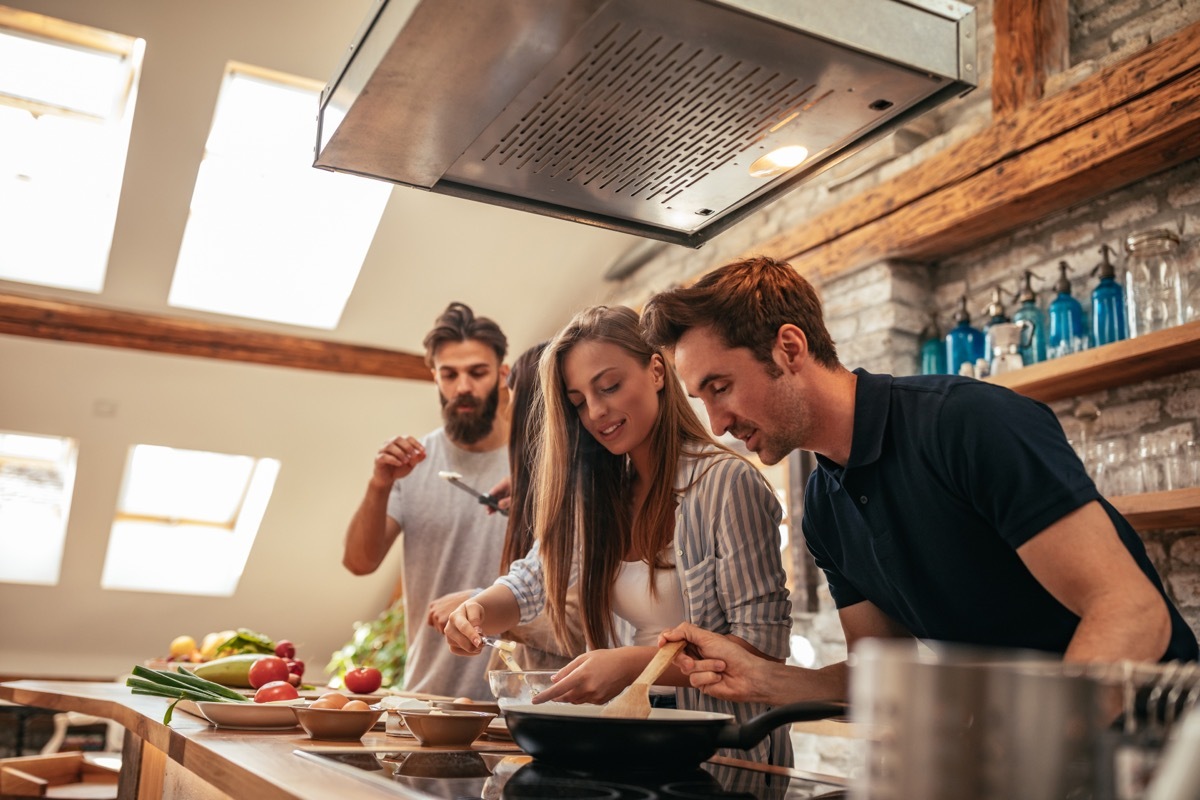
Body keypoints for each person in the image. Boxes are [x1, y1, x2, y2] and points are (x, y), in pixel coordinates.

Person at [639, 256, 1199, 707]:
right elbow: (880, 671)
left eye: (719, 386)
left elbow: (1130, 611)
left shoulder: (964, 423)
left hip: (1157, 749)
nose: (717, 424)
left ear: (790, 348)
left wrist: (1029, 759)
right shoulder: (823, 507)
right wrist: (762, 678)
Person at [444, 305, 794, 770]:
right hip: (635, 745)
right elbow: (532, 578)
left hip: (725, 752)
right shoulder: (601, 495)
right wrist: (479, 611)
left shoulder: (725, 484)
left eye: (609, 387)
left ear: (655, 371)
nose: (596, 412)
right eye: (578, 400)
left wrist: (631, 664)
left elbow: (762, 647)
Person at [343, 301, 512, 701]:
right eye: (449, 374)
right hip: (426, 698)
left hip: (515, 698)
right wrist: (379, 483)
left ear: (503, 375)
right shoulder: (412, 463)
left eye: (477, 372)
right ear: (434, 377)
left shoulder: (538, 462)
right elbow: (359, 562)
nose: (463, 387)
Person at [485, 342, 587, 670]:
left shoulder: (584, 501)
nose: (505, 414)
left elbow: (577, 628)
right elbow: (531, 579)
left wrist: (484, 606)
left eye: (513, 403)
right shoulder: (552, 493)